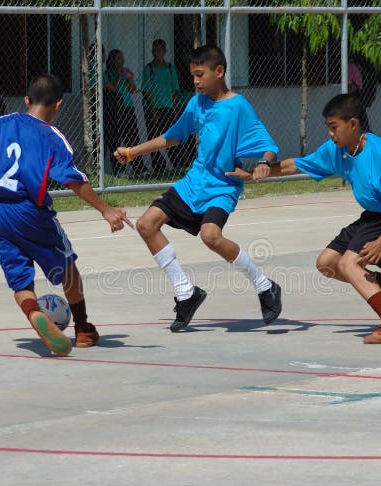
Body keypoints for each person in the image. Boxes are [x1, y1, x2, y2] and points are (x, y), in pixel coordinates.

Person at [0, 74, 134, 355]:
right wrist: (106, 209)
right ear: (58, 104)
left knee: (20, 280)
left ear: (26, 101)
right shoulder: (51, 136)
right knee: (68, 267)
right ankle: (84, 329)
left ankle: (33, 312)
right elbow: (73, 179)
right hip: (29, 211)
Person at [114, 45, 282, 332]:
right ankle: (186, 293)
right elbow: (172, 137)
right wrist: (133, 151)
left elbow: (267, 145)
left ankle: (265, 286)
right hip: (193, 184)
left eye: (200, 74)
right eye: (192, 75)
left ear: (219, 72)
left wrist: (265, 163)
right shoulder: (196, 104)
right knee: (146, 224)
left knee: (211, 236)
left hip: (223, 186)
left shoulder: (238, 106)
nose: (195, 81)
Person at [228, 93, 381, 344]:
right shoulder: (337, 151)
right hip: (372, 216)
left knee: (349, 264)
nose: (330, 134)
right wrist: (254, 174)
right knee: (327, 263)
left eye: (333, 127)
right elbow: (296, 165)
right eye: (328, 128)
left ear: (353, 124)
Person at [141, 39, 182, 173]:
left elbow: (174, 89)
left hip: (168, 107)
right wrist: (152, 111)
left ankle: (178, 165)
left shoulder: (170, 68)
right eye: (154, 50)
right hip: (154, 108)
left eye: (159, 50)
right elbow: (147, 90)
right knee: (154, 137)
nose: (156, 53)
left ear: (164, 51)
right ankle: (159, 167)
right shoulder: (149, 69)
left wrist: (175, 110)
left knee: (171, 137)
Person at [104, 49, 146, 177]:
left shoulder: (125, 73)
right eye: (119, 58)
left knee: (132, 138)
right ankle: (119, 170)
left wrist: (128, 78)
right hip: (114, 109)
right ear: (112, 60)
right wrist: (118, 75)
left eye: (123, 58)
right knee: (115, 139)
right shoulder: (107, 74)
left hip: (128, 107)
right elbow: (113, 88)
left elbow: (132, 90)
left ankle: (139, 169)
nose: (122, 61)